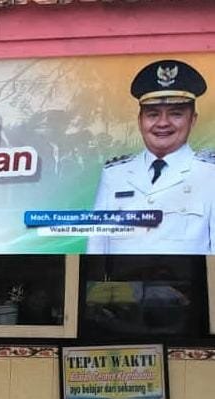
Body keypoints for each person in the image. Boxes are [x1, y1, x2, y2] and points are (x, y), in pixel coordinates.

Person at [88, 59, 215, 255]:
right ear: (140, 121)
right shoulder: (114, 175)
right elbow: (97, 249)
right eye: (153, 114)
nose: (163, 123)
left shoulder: (210, 174)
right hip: (124, 277)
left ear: (193, 120)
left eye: (176, 114)